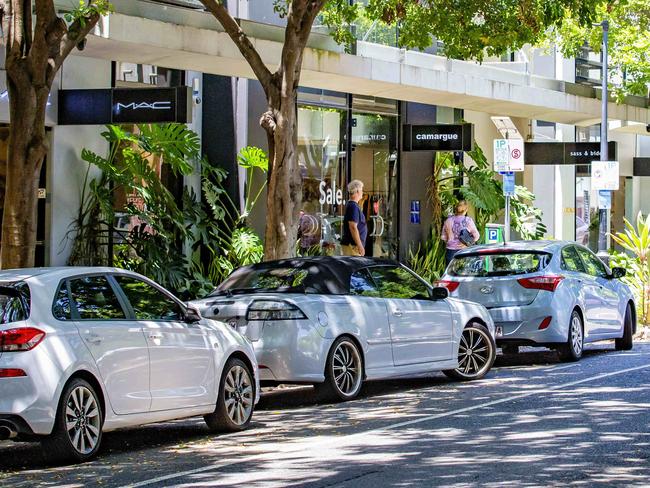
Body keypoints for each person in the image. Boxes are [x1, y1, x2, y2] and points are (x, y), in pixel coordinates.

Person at [441, 200, 480, 265]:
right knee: (464, 273)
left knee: (451, 273)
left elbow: (443, 237)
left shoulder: (448, 220)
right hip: (464, 251)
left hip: (450, 251)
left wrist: (450, 242)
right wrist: (468, 242)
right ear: (466, 209)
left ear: (455, 209)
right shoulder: (468, 220)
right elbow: (477, 236)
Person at [341, 180, 367, 256]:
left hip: (352, 246)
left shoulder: (353, 205)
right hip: (352, 246)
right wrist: (360, 245)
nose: (362, 192)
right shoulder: (353, 206)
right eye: (362, 190)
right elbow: (353, 227)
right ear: (358, 191)